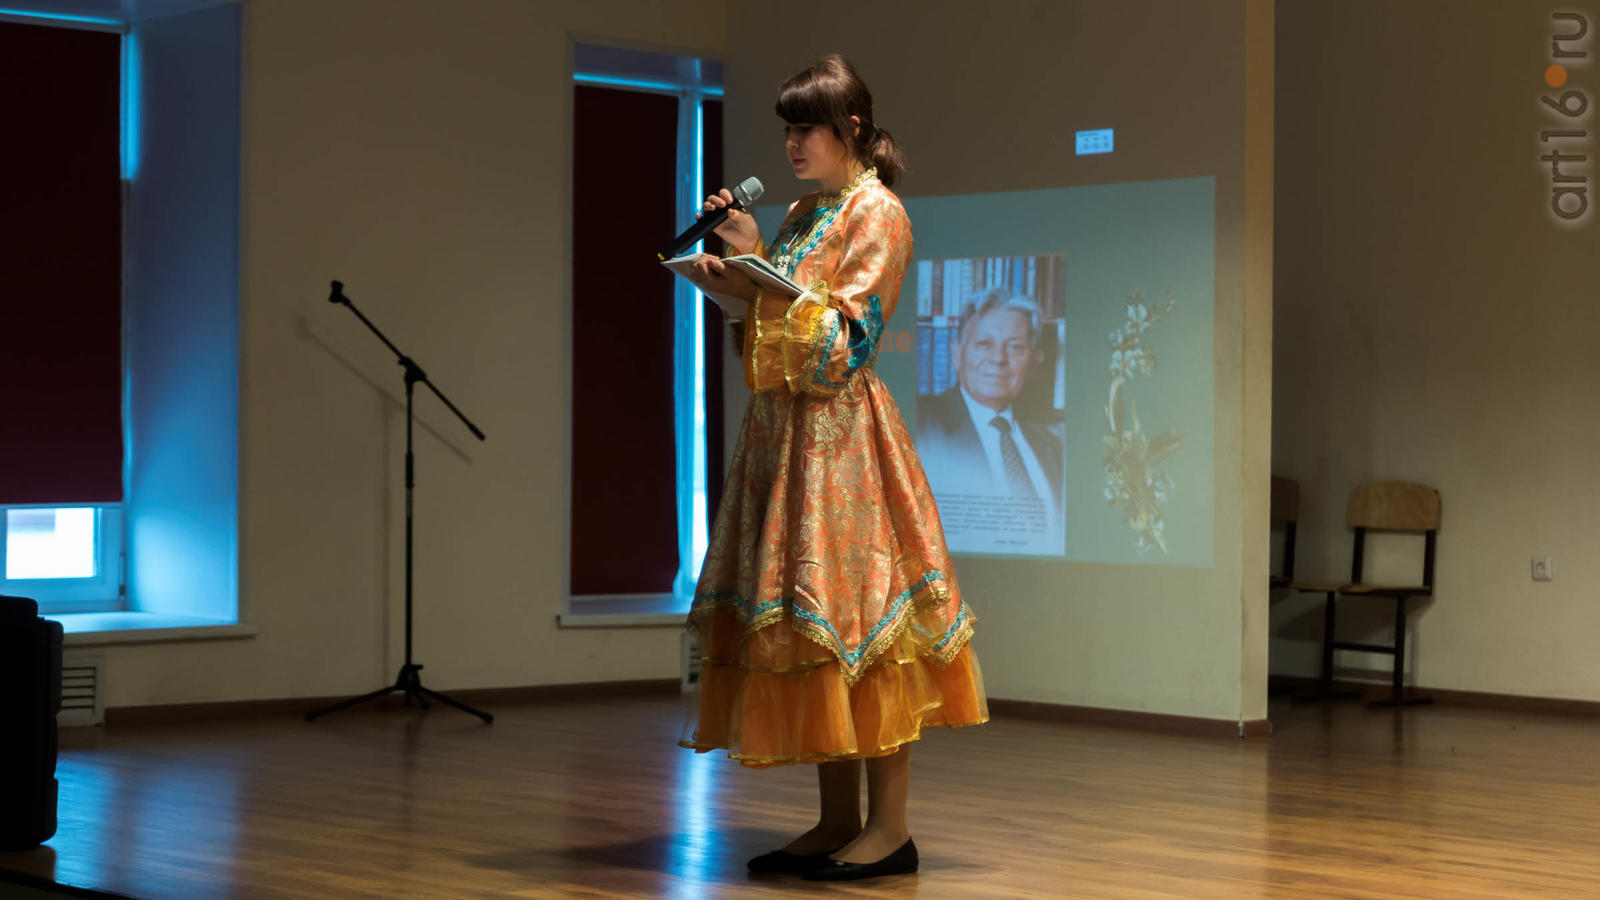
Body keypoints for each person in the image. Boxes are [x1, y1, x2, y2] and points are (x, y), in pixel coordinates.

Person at [679, 54, 987, 882]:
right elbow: (776, 330)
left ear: (850, 128)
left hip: (844, 443)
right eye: (787, 129)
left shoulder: (877, 213)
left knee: (866, 628)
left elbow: (842, 346)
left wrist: (760, 269)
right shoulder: (805, 212)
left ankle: (890, 830)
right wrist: (732, 282)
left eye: (807, 128)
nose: (793, 143)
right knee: (811, 630)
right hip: (787, 439)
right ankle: (837, 819)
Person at [915, 289, 1065, 512]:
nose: (998, 359)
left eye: (1015, 347)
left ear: (1034, 361)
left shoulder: (1053, 445)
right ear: (956, 354)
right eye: (984, 344)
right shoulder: (919, 424)